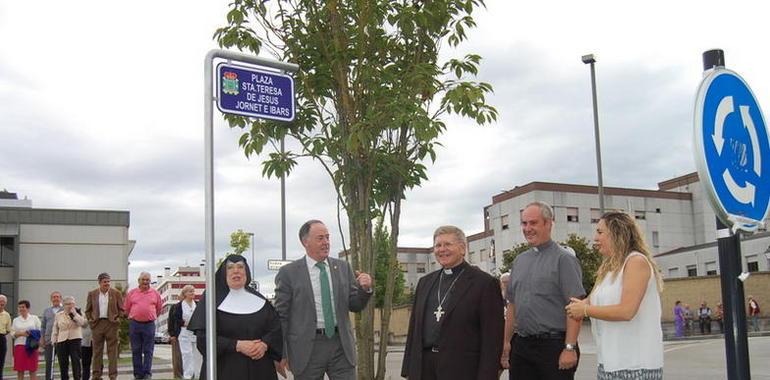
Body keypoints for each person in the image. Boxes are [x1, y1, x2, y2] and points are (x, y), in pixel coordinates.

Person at [565, 211, 664, 379]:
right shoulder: (608, 269)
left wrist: (585, 310)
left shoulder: (635, 262)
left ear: (618, 233)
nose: (595, 238)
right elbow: (586, 303)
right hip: (609, 364)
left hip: (635, 366)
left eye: (600, 232)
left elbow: (627, 311)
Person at [401, 225, 504, 380]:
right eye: (438, 245)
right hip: (425, 367)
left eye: (448, 244)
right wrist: (409, 368)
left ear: (463, 248)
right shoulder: (425, 282)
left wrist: (487, 374)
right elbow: (414, 328)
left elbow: (492, 337)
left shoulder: (484, 283)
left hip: (462, 368)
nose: (442, 249)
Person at [274, 220, 373, 379]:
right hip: (307, 349)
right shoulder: (289, 273)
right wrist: (281, 352)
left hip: (340, 345)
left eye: (327, 237)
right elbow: (281, 316)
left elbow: (354, 305)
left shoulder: (342, 267)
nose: (326, 242)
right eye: (320, 238)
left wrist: (365, 289)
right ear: (305, 242)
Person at [501, 201, 585, 380]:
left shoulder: (564, 260)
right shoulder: (519, 261)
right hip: (522, 346)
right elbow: (512, 306)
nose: (527, 228)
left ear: (548, 223)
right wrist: (506, 342)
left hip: (554, 346)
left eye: (533, 223)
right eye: (524, 223)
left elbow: (575, 308)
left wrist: (569, 348)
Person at [188, 255, 282, 380]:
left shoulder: (260, 301)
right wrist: (236, 345)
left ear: (246, 271)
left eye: (240, 267)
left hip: (260, 368)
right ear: (223, 273)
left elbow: (275, 329)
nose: (236, 270)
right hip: (224, 369)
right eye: (230, 268)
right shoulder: (211, 300)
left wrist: (264, 344)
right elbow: (203, 339)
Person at [85, 272, 124, 380]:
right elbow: (87, 310)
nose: (107, 284)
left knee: (112, 352)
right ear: (99, 282)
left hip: (111, 324)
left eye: (108, 281)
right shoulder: (92, 294)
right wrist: (91, 320)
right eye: (105, 282)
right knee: (97, 352)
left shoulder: (116, 293)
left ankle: (112, 376)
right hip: (97, 324)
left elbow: (122, 309)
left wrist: (118, 319)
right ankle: (96, 376)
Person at [124, 272, 163, 380]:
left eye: (147, 280)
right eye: (143, 280)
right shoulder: (132, 293)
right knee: (136, 350)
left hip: (149, 325)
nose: (145, 282)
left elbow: (159, 309)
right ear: (139, 281)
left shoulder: (155, 293)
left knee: (148, 350)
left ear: (150, 281)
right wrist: (135, 316)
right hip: (135, 324)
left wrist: (150, 316)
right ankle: (138, 373)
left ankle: (147, 373)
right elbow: (126, 309)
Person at [51, 296, 87, 380]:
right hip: (62, 340)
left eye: (72, 303)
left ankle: (77, 378)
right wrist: (53, 339)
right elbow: (55, 328)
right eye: (68, 304)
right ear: (64, 305)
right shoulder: (59, 315)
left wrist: (74, 314)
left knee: (76, 361)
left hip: (75, 339)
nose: (71, 305)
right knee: (63, 362)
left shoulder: (78, 312)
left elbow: (83, 323)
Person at [168, 285, 200, 379]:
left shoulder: (197, 304)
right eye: (190, 291)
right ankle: (187, 375)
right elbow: (175, 319)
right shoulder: (178, 306)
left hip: (195, 332)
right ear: (185, 293)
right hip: (184, 332)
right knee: (187, 354)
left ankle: (197, 374)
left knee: (197, 354)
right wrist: (184, 324)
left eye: (193, 291)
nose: (192, 293)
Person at [11, 300, 42, 380]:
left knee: (32, 369)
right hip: (19, 346)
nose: (21, 309)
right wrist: (21, 333)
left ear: (28, 308)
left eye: (23, 307)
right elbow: (12, 333)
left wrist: (31, 333)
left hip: (32, 346)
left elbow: (40, 331)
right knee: (20, 370)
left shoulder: (34, 318)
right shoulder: (15, 320)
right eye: (20, 307)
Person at [41, 291, 63, 380]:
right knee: (49, 362)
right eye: (54, 297)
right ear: (51, 299)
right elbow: (43, 326)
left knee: (63, 362)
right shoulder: (47, 311)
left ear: (60, 298)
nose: (56, 298)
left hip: (62, 340)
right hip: (48, 341)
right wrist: (42, 338)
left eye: (57, 297)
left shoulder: (64, 310)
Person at [0, 294, 12, 380]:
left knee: (1, 361)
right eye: (0, 302)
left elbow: (8, 329)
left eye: (3, 303)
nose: (1, 304)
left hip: (1, 338)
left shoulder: (7, 315)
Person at [80, 309, 92, 380]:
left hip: (96, 342)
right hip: (85, 343)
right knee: (85, 364)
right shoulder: (84, 316)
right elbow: (83, 324)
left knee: (98, 363)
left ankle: (97, 377)